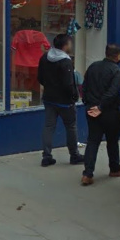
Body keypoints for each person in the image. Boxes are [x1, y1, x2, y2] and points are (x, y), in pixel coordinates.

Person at [80, 44, 120, 185]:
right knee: (112, 141)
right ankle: (114, 168)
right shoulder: (117, 71)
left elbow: (84, 87)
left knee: (92, 140)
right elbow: (112, 92)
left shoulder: (93, 67)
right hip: (109, 110)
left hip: (92, 109)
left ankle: (87, 173)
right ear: (118, 56)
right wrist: (101, 107)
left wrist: (88, 103)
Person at [38, 33, 81, 167]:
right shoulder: (66, 62)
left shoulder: (45, 57)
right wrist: (74, 96)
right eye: (70, 43)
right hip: (65, 101)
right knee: (71, 127)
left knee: (49, 127)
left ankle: (46, 156)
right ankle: (74, 155)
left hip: (49, 98)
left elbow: (40, 78)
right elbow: (68, 84)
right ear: (65, 45)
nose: (71, 45)